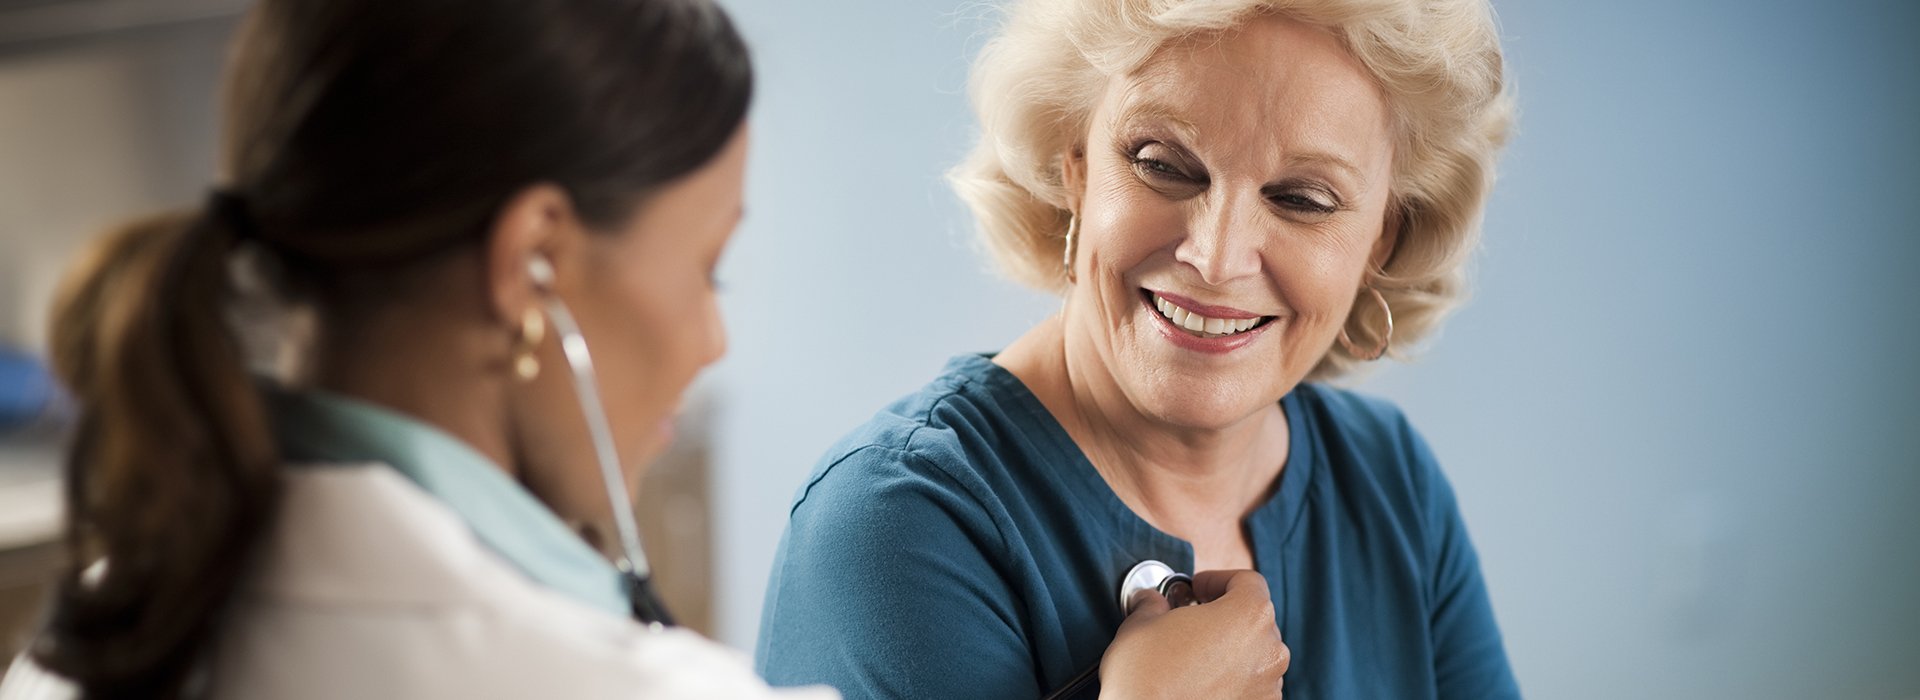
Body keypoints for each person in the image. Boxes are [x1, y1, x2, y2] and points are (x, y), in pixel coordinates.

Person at [0, 0, 1295, 697]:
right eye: (703, 267)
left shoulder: (94, 623)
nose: (710, 336)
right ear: (536, 263)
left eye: (1302, 197)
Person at [756, 0, 1520, 698]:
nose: (1218, 258)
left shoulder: (1391, 483)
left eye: (1301, 199)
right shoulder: (894, 527)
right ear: (1075, 164)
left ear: (1381, 235)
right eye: (1162, 164)